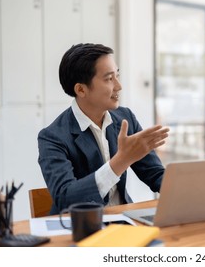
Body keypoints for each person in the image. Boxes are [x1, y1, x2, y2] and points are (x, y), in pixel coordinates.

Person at [38, 43, 169, 214]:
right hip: (82, 228)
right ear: (81, 89)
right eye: (109, 79)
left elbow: (155, 175)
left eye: (118, 76)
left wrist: (194, 190)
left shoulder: (125, 118)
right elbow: (65, 199)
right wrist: (121, 161)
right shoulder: (52, 137)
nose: (119, 86)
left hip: (124, 221)